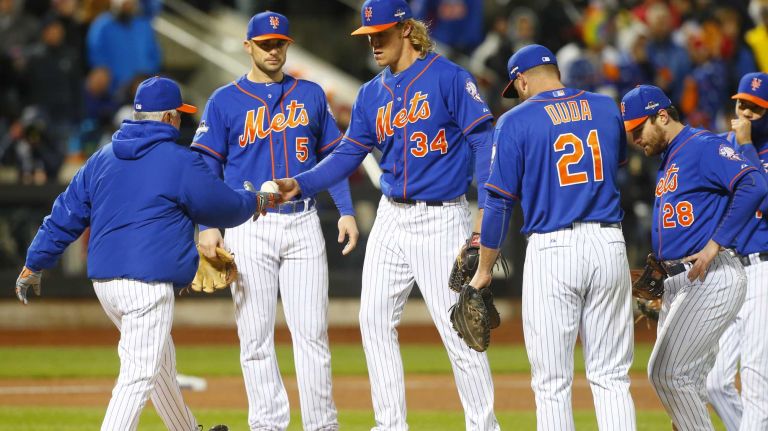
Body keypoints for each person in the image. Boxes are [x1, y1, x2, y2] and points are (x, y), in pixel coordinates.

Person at [275, 0, 498, 428]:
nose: (374, 42)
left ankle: (484, 425)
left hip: (441, 217)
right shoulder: (371, 93)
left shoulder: (449, 78)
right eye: (369, 35)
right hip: (391, 216)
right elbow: (347, 154)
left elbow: (484, 143)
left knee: (461, 329)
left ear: (407, 30)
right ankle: (390, 424)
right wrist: (302, 183)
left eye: (381, 34)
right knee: (373, 320)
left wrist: (485, 210)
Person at [14, 76, 273, 431]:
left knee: (159, 361)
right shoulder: (179, 160)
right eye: (179, 115)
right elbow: (223, 207)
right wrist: (256, 200)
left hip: (106, 285)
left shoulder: (101, 158)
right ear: (168, 118)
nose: (181, 121)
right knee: (137, 377)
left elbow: (65, 214)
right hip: (146, 288)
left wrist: (34, 262)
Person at [190, 11, 358, 431]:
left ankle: (322, 425)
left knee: (313, 335)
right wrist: (207, 224)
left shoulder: (311, 94)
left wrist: (347, 211)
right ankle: (268, 424)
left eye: (279, 42)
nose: (273, 49)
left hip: (302, 224)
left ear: (288, 44)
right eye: (264, 43)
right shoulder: (224, 100)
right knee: (255, 336)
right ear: (248, 46)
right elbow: (204, 167)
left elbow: (335, 159)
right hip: (248, 226)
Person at [467, 44, 637, 431]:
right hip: (609, 243)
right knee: (611, 377)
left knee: (552, 383)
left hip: (554, 248)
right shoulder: (607, 108)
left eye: (516, 86)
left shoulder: (515, 121)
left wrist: (484, 269)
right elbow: (616, 169)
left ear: (521, 79)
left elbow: (497, 205)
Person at [621, 84, 767, 430]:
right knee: (688, 380)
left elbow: (755, 185)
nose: (635, 139)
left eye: (639, 128)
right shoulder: (671, 158)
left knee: (666, 372)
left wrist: (717, 242)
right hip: (684, 280)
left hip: (711, 273)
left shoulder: (701, 146)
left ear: (661, 115)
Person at [707, 72, 768, 431]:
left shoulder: (746, 150)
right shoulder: (722, 147)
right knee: (714, 381)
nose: (744, 112)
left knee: (757, 379)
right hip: (729, 271)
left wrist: (745, 149)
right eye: (740, 103)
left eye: (755, 108)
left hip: (763, 272)